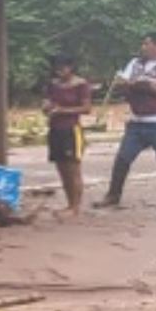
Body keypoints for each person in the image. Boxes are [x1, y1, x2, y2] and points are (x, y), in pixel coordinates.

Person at [95, 31, 156, 210]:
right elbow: (123, 85)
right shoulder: (135, 63)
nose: (143, 47)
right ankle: (113, 195)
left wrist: (149, 87)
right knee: (123, 158)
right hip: (137, 119)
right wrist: (127, 85)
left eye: (147, 43)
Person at [44, 53, 93, 215]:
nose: (59, 72)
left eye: (62, 68)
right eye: (57, 69)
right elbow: (48, 103)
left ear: (70, 68)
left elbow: (86, 108)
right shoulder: (53, 84)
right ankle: (69, 203)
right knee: (61, 167)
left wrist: (63, 110)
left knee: (73, 168)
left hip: (71, 128)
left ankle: (75, 206)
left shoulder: (81, 84)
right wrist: (47, 107)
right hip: (55, 128)